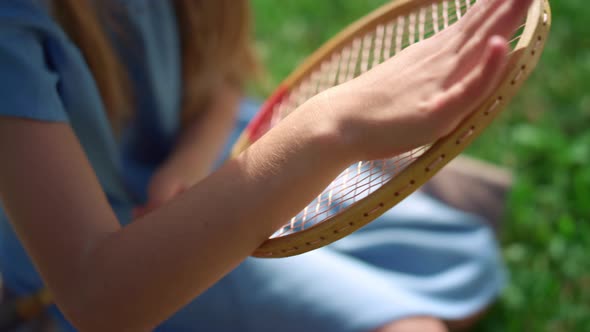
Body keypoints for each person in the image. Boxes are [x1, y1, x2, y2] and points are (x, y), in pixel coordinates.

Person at [0, 0, 531, 331]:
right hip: (123, 256)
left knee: (465, 267)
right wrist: (334, 124)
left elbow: (224, 70)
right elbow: (100, 299)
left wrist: (192, 158)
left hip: (211, 157)